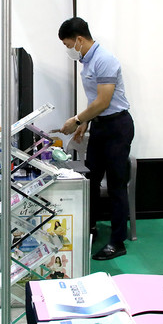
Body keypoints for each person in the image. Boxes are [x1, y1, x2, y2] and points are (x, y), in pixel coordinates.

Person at [57, 17, 134, 261]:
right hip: (101, 127)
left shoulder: (104, 60)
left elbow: (103, 101)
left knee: (116, 186)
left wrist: (77, 120)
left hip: (117, 127)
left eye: (68, 44)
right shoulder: (86, 62)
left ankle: (117, 241)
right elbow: (95, 101)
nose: (69, 50)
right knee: (90, 179)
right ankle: (90, 227)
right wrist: (87, 122)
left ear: (79, 39)